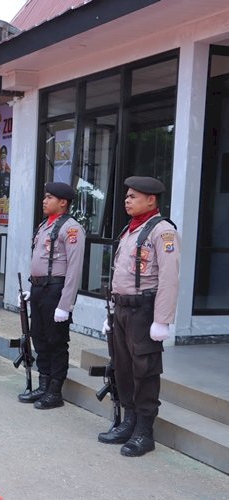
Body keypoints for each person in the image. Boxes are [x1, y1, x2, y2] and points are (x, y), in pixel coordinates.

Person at [99, 176, 180, 457]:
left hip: (144, 311)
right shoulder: (130, 230)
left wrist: (163, 319)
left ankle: (145, 431)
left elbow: (169, 278)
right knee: (122, 368)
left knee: (145, 371)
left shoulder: (162, 231)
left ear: (151, 200)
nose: (127, 200)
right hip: (122, 309)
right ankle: (129, 422)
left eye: (134, 196)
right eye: (127, 195)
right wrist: (111, 310)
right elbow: (119, 273)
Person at [19, 182, 85, 404]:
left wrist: (65, 304)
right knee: (39, 337)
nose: (44, 201)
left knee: (55, 341)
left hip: (56, 291)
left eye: (49, 197)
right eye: (45, 197)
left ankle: (55, 391)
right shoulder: (44, 226)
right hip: (39, 288)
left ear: (63, 202)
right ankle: (43, 384)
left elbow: (74, 270)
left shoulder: (71, 228)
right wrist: (31, 290)